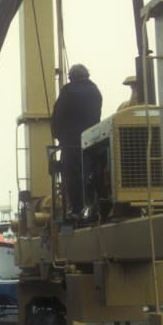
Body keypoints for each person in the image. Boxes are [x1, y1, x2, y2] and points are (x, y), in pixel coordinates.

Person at [51, 64, 102, 215]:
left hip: (71, 142)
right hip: (92, 141)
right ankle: (92, 206)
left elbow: (57, 116)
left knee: (71, 177)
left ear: (71, 77)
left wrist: (58, 135)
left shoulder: (68, 91)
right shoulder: (95, 91)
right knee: (89, 174)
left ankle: (77, 209)